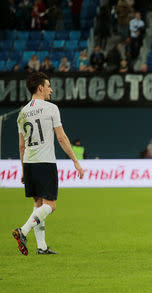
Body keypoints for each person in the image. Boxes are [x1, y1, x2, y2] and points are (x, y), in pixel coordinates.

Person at [12, 72, 84, 256]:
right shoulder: (51, 108)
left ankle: (42, 247)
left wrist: (22, 169)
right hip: (45, 162)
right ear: (40, 88)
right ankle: (23, 231)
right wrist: (75, 161)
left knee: (38, 205)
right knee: (50, 206)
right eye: (49, 86)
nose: (51, 90)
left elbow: (21, 146)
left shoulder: (22, 113)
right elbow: (61, 137)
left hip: (29, 162)